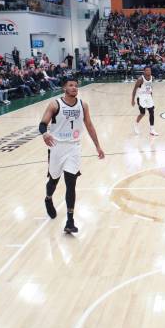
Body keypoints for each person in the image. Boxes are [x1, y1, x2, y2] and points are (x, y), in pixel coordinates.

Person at [39, 77, 105, 233]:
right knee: (53, 180)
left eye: (76, 85)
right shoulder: (55, 104)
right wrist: (45, 134)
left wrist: (98, 146)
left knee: (71, 183)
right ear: (64, 88)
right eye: (71, 85)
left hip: (74, 147)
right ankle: (48, 198)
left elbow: (89, 126)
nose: (74, 88)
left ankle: (70, 220)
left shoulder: (83, 105)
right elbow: (43, 124)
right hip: (56, 147)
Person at [131, 65, 159, 136]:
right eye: (146, 70)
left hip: (148, 97)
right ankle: (136, 124)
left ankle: (152, 130)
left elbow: (150, 88)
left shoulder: (152, 78)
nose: (148, 71)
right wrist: (132, 100)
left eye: (149, 70)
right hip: (141, 97)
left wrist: (151, 97)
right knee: (142, 113)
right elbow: (134, 89)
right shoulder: (140, 79)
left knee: (151, 112)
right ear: (144, 71)